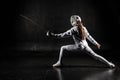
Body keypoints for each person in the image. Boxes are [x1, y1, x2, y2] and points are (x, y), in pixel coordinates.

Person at [46, 15, 115, 68]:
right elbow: (89, 37)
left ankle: (59, 62)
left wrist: (53, 35)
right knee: (95, 56)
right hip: (85, 45)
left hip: (79, 46)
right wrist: (96, 43)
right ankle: (109, 64)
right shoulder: (84, 28)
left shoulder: (73, 29)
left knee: (62, 48)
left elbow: (62, 35)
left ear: (73, 22)